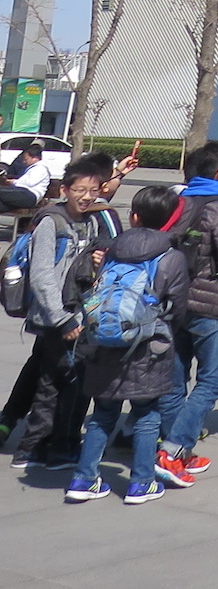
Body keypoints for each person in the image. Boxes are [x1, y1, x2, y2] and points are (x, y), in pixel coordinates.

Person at [64, 184, 190, 505]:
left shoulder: (111, 250)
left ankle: (84, 478)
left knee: (103, 413)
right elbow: (177, 308)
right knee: (147, 415)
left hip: (105, 344)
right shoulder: (172, 256)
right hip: (148, 348)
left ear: (134, 217)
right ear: (171, 219)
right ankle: (141, 483)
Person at [156, 139, 218, 485]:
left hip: (174, 302)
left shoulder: (180, 202)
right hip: (211, 305)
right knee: (213, 380)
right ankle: (173, 450)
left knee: (175, 380)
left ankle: (176, 449)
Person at [9, 161, 103, 472]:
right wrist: (62, 319)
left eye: (92, 190)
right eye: (80, 190)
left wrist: (95, 261)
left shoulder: (90, 222)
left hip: (76, 313)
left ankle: (37, 448)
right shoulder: (51, 223)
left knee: (53, 382)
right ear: (65, 190)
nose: (86, 196)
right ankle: (52, 448)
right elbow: (41, 276)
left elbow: (82, 273)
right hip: (56, 317)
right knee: (66, 383)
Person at [0, 140, 49, 212]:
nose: (24, 161)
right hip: (23, 193)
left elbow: (29, 182)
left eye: (26, 159)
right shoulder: (33, 168)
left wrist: (13, 182)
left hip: (30, 195)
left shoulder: (40, 168)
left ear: (35, 158)